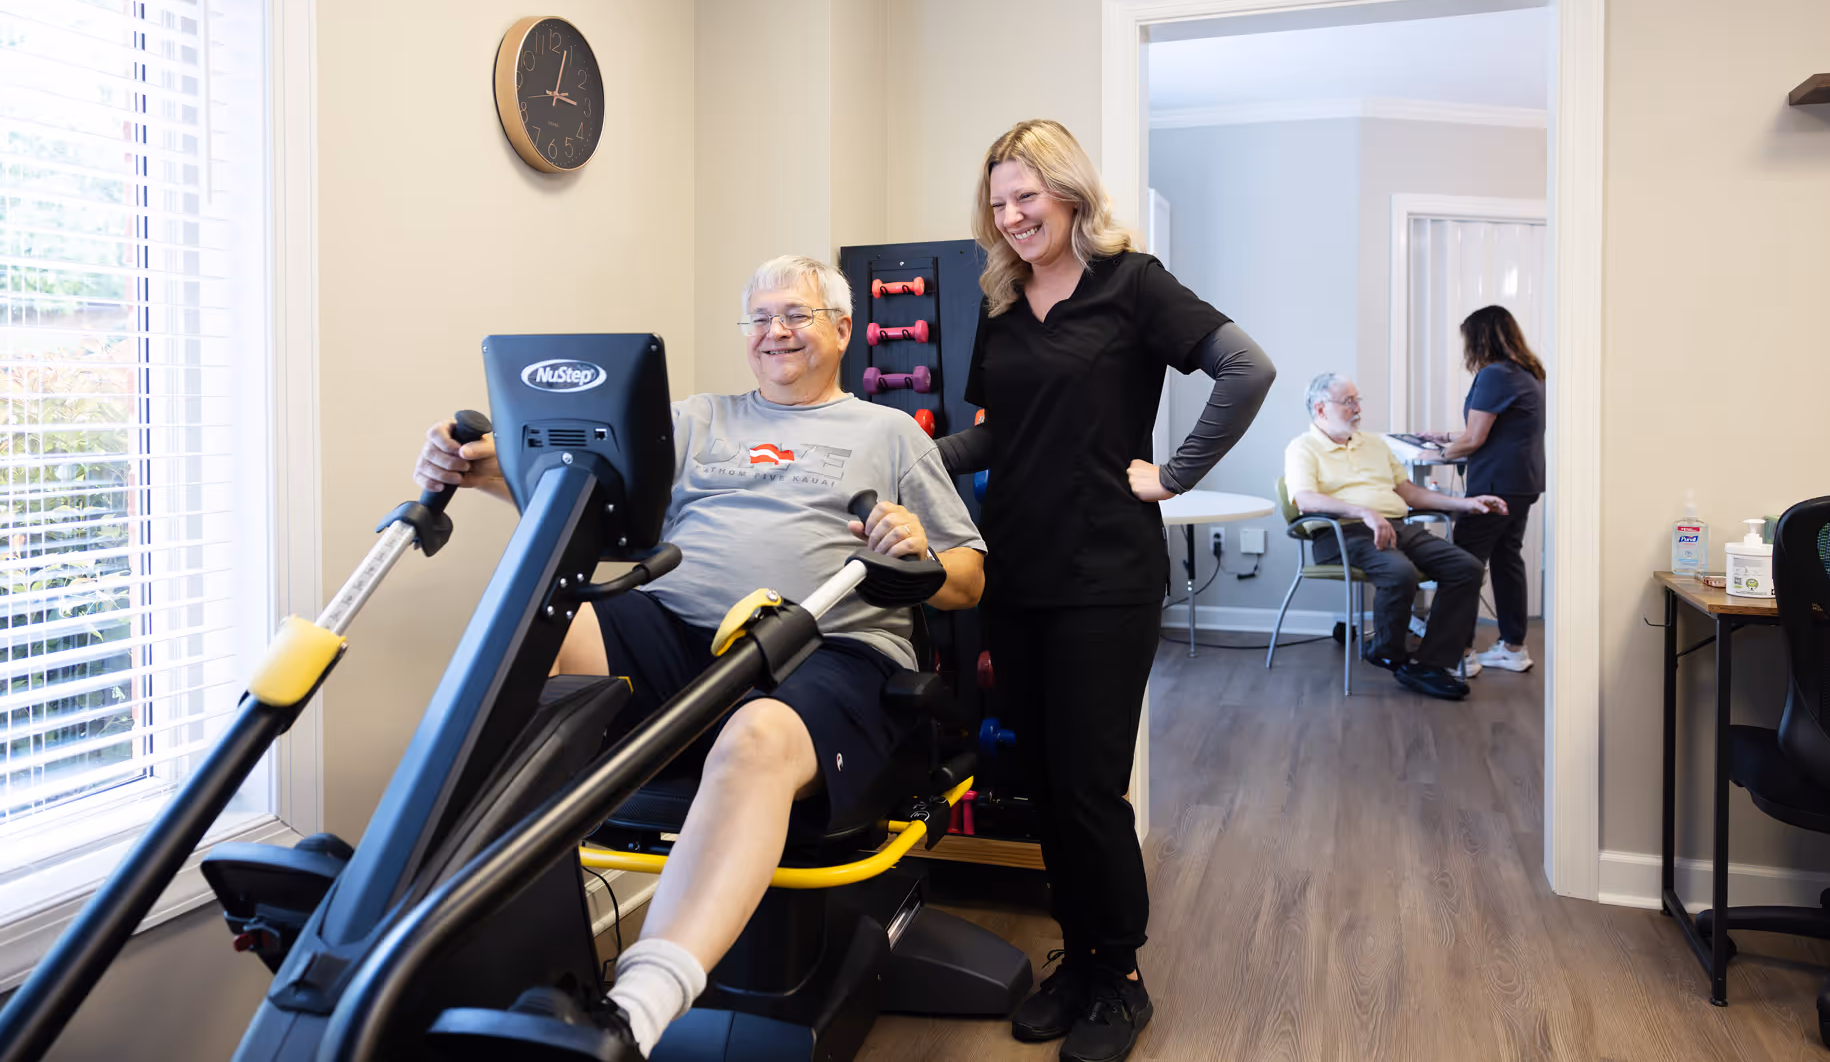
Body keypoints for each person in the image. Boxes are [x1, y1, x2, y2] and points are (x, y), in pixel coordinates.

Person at [412, 255, 985, 1060]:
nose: (775, 331)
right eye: (760, 317)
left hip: (830, 647)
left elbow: (967, 578)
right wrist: (477, 468)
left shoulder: (889, 433)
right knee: (535, 625)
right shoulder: (696, 420)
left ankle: (636, 1010)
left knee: (756, 734)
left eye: (796, 313)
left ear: (843, 328)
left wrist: (917, 547)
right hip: (678, 637)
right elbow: (575, 486)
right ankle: (433, 924)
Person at [933, 120, 1271, 1062]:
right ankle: (1078, 960)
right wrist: (898, 457)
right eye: (998, 203)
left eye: (1026, 197)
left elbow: (1247, 367)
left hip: (1106, 576)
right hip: (1018, 568)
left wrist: (1176, 473)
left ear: (1069, 192)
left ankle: (1119, 976)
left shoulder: (1133, 284)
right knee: (1039, 778)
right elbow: (998, 435)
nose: (1012, 217)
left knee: (1087, 782)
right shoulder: (1002, 303)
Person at [1285, 372, 1507, 701]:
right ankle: (1388, 651)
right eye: (1349, 402)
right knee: (1399, 572)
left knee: (1467, 568)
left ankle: (1430, 663)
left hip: (1394, 526)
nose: (1358, 408)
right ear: (1320, 409)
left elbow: (1409, 493)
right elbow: (1306, 500)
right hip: (1340, 533)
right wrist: (1363, 512)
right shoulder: (1303, 447)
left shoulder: (1374, 444)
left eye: (1358, 400)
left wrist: (1466, 503)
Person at [1418, 304, 1547, 674]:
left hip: (1495, 485)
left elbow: (1475, 439)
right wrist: (1445, 436)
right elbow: (1496, 430)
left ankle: (1456, 654)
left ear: (1481, 338)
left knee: (1463, 563)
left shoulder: (1495, 374)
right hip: (1522, 482)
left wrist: (1438, 453)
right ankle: (1513, 647)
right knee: (1507, 560)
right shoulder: (1528, 373)